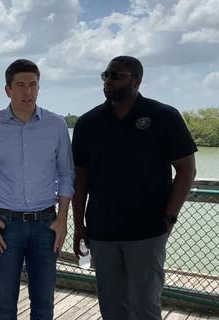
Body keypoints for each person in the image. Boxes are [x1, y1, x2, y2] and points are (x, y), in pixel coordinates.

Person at [72, 56, 197, 320]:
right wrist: (79, 225)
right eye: (105, 75)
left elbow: (186, 170)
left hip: (147, 231)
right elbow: (79, 177)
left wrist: (170, 217)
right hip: (102, 232)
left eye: (116, 75)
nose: (108, 81)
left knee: (145, 306)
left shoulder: (164, 117)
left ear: (137, 80)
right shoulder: (88, 123)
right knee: (111, 306)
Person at [0, 59, 75, 320]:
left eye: (33, 85)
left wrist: (62, 219)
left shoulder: (56, 125)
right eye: (20, 85)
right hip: (5, 226)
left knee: (44, 304)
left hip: (46, 225)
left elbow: (66, 173)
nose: (28, 91)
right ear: (8, 90)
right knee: (4, 305)